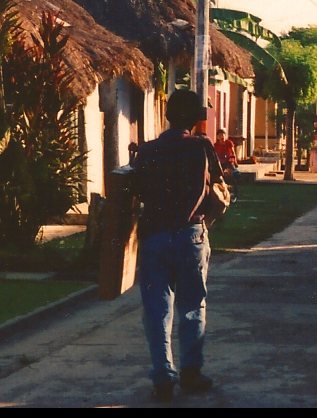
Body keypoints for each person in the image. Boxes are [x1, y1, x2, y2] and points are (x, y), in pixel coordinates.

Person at [134, 89, 224, 402]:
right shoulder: (201, 146)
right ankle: (191, 373)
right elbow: (220, 189)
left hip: (154, 236)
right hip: (190, 234)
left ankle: (162, 377)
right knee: (191, 306)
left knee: (157, 309)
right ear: (193, 117)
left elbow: (137, 192)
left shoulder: (146, 151)